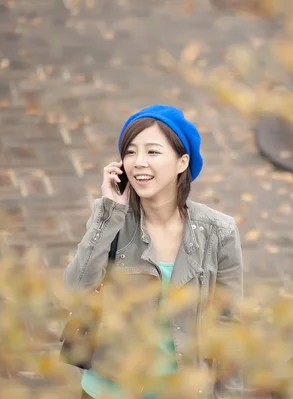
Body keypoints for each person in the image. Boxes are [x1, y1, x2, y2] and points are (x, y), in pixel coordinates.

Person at [63, 104, 244, 398]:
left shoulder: (219, 231)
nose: (138, 162)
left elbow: (229, 324)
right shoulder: (111, 220)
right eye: (130, 152)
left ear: (182, 162)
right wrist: (110, 212)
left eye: (153, 152)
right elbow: (75, 287)